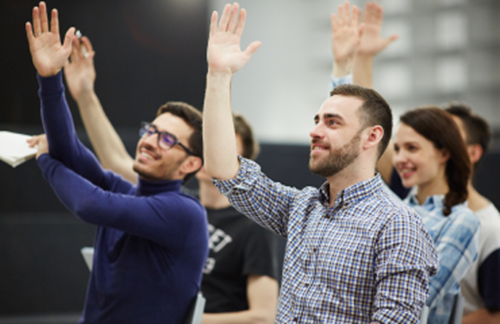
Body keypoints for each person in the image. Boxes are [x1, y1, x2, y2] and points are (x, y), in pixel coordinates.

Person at [203, 3, 438, 323]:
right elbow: (225, 171)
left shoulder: (397, 226)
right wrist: (219, 75)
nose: (314, 131)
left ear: (372, 137)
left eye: (332, 122)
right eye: (316, 120)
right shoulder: (303, 207)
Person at [63, 33, 279, 323]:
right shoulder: (174, 205)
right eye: (210, 145)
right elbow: (116, 162)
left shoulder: (253, 227)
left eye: (224, 149)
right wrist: (86, 95)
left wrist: (184, 317)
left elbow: (263, 317)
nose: (214, 153)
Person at [24, 2, 208, 323]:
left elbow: (90, 205)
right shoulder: (125, 190)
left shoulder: (184, 212)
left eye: (166, 139)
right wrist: (50, 79)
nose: (149, 141)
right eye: (150, 130)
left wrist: (46, 161)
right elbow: (69, 151)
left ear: (190, 165)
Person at [328, 3, 480, 323]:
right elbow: (359, 133)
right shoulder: (394, 205)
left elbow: (413, 296)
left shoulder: (463, 222)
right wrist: (347, 64)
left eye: (412, 148)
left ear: (444, 153)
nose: (399, 159)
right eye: (396, 148)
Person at [444, 104, 500, 324]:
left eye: (448, 138)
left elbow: (496, 315)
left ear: (473, 152)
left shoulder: (490, 229)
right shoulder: (412, 205)